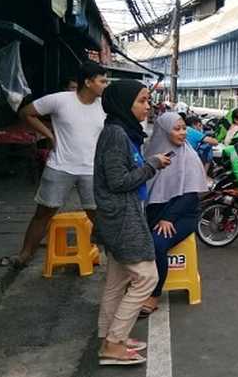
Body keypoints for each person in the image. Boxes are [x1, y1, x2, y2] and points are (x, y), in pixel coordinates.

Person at [0, 61, 109, 269]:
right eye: (102, 81)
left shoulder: (105, 106)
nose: (105, 85)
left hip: (92, 169)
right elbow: (26, 113)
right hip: (60, 166)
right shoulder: (60, 100)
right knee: (44, 213)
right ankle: (24, 255)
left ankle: (116, 261)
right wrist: (49, 134)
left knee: (98, 216)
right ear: (88, 82)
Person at [93, 79, 171, 366]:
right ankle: (113, 343)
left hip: (122, 214)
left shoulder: (123, 132)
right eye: (141, 101)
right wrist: (151, 166)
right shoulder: (115, 134)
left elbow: (124, 171)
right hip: (121, 217)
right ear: (124, 104)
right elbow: (117, 181)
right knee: (146, 277)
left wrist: (148, 163)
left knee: (118, 280)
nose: (147, 106)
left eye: (147, 100)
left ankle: (110, 337)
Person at [139, 112, 209, 317]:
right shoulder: (152, 152)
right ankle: (138, 286)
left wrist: (168, 218)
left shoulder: (189, 155)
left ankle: (154, 295)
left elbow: (191, 195)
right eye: (177, 129)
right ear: (163, 131)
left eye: (184, 128)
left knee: (156, 244)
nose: (182, 133)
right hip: (154, 211)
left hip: (183, 215)